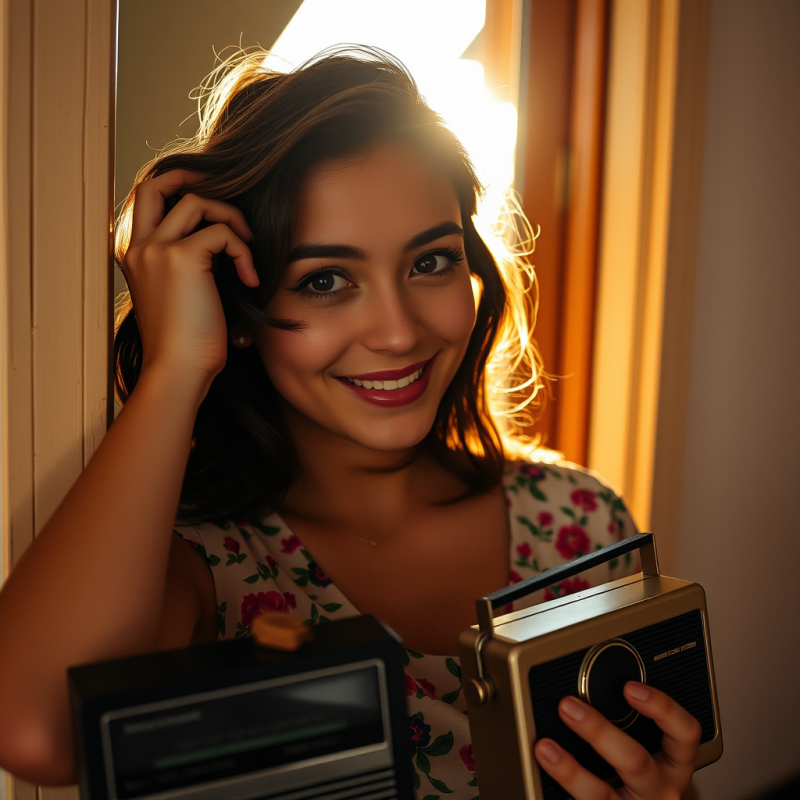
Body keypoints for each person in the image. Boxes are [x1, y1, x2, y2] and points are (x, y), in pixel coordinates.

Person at [0, 47, 701, 799]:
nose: (398, 332)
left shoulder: (582, 519)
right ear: (237, 310)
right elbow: (37, 733)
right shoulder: (204, 566)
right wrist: (176, 367)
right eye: (326, 280)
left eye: (430, 262)